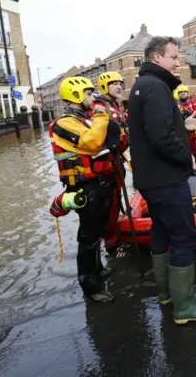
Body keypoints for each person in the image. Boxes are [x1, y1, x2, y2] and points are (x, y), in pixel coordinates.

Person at [127, 36, 196, 325]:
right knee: (184, 236)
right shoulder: (155, 87)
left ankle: (166, 294)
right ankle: (184, 307)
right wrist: (185, 158)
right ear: (156, 57)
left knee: (161, 233)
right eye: (173, 56)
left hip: (151, 178)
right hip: (166, 177)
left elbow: (160, 126)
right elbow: (161, 137)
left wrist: (183, 123)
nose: (179, 62)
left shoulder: (144, 86)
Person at [48, 76, 119, 303]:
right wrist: (100, 114)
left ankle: (98, 268)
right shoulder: (63, 124)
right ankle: (90, 286)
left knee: (98, 230)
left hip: (100, 181)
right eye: (89, 94)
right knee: (88, 237)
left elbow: (105, 139)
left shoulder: (83, 120)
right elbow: (92, 143)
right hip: (84, 186)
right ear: (77, 95)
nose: (92, 98)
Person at [93, 71, 129, 254]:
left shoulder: (115, 106)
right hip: (106, 163)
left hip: (117, 160)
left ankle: (114, 236)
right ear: (105, 87)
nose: (119, 86)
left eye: (120, 83)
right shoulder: (100, 106)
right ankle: (111, 244)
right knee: (110, 202)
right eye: (114, 83)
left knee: (117, 198)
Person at [175, 84, 196, 168]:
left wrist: (191, 114)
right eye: (181, 92)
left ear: (188, 93)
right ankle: (188, 169)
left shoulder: (194, 101)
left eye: (185, 92)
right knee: (184, 153)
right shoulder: (176, 104)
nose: (183, 93)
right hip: (182, 132)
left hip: (194, 132)